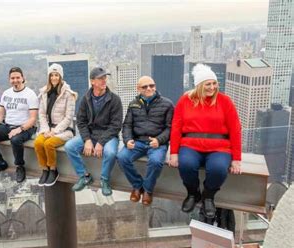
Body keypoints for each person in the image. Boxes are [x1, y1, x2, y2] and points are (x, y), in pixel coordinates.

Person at [169, 64, 242, 218]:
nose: (212, 87)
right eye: (208, 84)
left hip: (219, 147)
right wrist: (174, 152)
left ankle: (208, 196)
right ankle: (193, 193)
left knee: (218, 169)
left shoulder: (225, 101)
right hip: (190, 144)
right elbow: (176, 127)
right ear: (199, 85)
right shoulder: (185, 101)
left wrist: (236, 159)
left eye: (214, 83)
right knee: (187, 165)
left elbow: (235, 130)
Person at [64, 67, 123, 196]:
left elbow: (116, 125)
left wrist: (101, 142)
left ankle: (104, 180)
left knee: (111, 152)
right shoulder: (86, 99)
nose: (104, 80)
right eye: (100, 78)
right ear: (92, 81)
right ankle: (84, 176)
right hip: (90, 135)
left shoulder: (114, 99)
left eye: (104, 77)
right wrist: (87, 140)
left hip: (109, 136)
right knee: (69, 146)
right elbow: (81, 121)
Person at [116, 76, 173, 205]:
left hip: (157, 143)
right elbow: (127, 125)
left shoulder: (167, 104)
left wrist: (159, 140)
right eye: (145, 86)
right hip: (138, 141)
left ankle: (147, 190)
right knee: (121, 157)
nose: (149, 88)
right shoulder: (133, 104)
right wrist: (127, 140)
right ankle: (137, 186)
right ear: (138, 89)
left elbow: (170, 128)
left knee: (156, 161)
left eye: (151, 85)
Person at [0, 67, 38, 183]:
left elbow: (33, 119)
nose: (15, 80)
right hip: (8, 126)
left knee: (15, 140)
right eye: (13, 78)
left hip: (26, 127)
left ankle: (19, 166)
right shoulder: (6, 93)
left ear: (23, 78)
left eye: (18, 77)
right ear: (9, 80)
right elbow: (0, 114)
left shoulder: (30, 94)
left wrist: (20, 129)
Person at [34, 63, 77, 186]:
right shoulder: (44, 93)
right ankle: (44, 169)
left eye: (56, 75)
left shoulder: (68, 94)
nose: (54, 78)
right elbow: (41, 115)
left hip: (64, 130)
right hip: (47, 128)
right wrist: (46, 130)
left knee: (48, 144)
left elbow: (68, 117)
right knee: (38, 143)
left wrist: (54, 131)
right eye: (52, 75)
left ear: (60, 76)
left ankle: (53, 169)